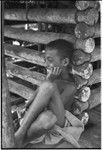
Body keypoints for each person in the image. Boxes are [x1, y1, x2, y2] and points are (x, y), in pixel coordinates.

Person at [15, 39, 84, 148]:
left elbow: (55, 110)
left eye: (50, 60)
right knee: (47, 117)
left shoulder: (71, 86)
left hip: (59, 121)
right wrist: (48, 79)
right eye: (45, 60)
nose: (46, 64)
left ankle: (20, 135)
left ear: (65, 62)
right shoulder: (52, 79)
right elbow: (32, 101)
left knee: (49, 87)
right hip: (46, 118)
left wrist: (49, 82)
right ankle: (22, 140)